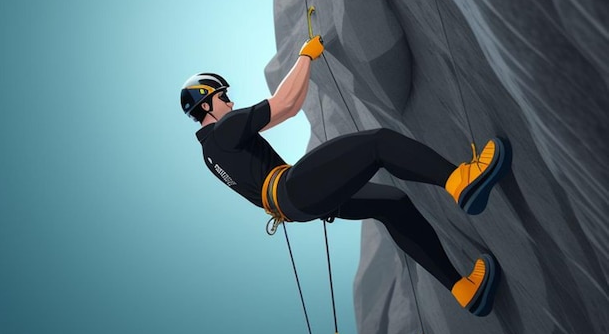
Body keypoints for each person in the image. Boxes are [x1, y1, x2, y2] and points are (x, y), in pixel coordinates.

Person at [180, 36, 509, 317]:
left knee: (393, 204)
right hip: (293, 189)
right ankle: (461, 181)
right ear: (207, 105)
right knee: (378, 143)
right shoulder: (223, 130)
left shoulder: (209, 154)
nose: (230, 100)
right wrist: (306, 56)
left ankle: (464, 290)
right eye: (222, 96)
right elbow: (285, 105)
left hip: (296, 208)